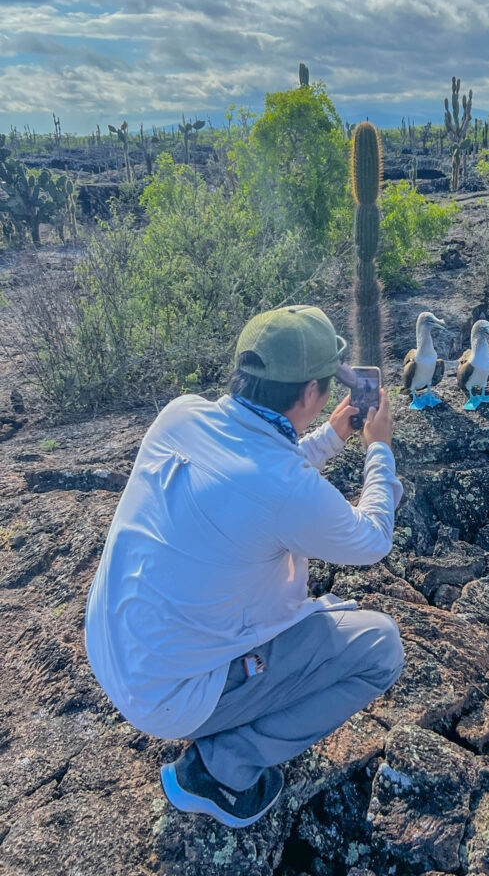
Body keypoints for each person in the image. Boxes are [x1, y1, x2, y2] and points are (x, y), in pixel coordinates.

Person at [85, 305, 404, 829]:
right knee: (380, 647)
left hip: (114, 651)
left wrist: (330, 437)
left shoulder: (181, 414)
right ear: (308, 394)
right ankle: (219, 770)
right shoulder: (283, 488)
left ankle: (224, 729)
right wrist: (379, 450)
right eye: (326, 384)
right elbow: (371, 539)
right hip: (168, 696)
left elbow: (250, 474)